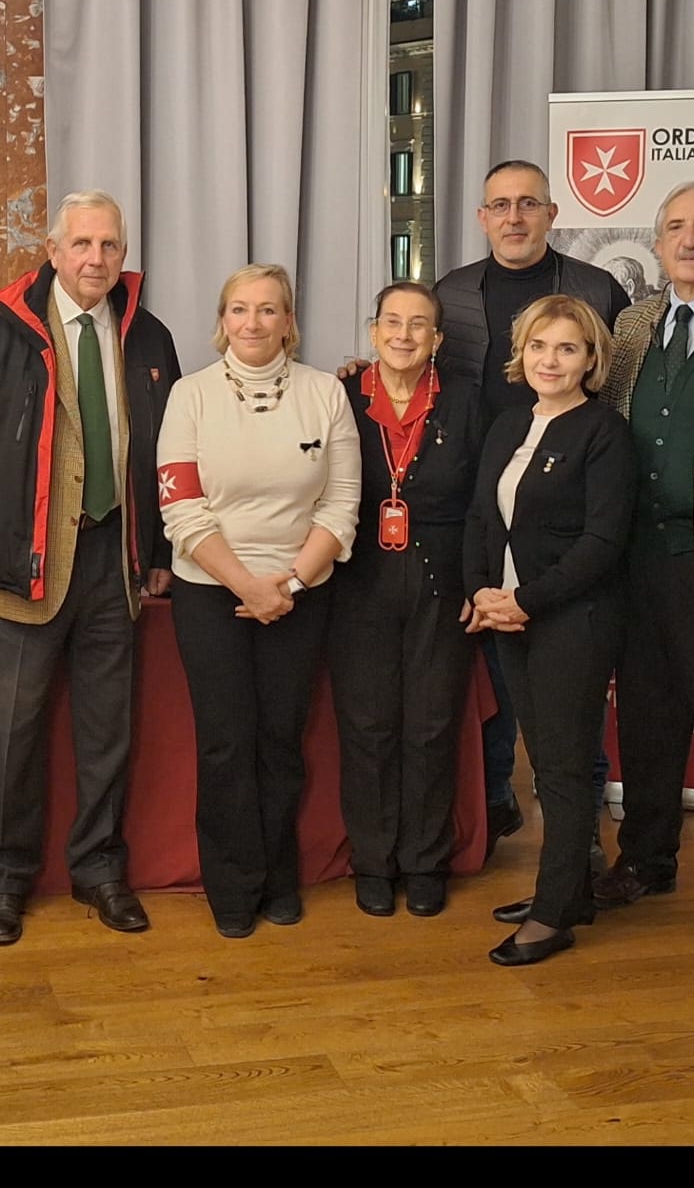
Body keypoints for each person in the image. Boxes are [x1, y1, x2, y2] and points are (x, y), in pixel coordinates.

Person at [156, 263, 361, 939]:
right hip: (210, 593)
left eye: (268, 309)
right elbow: (181, 507)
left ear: (288, 322)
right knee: (225, 743)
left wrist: (291, 584)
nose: (253, 322)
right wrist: (247, 585)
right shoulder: (189, 396)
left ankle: (278, 878)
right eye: (240, 309)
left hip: (301, 594)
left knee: (281, 741)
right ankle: (232, 884)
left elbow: (342, 504)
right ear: (223, 320)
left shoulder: (324, 394)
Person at [436, 159, 631, 863]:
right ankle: (496, 814)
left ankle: (580, 849)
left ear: (551, 214)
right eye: (500, 205)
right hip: (486, 504)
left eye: (527, 204)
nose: (513, 217)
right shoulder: (452, 292)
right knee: (498, 685)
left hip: (570, 514)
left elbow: (620, 390)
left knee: (570, 711)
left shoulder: (598, 288)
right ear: (482, 218)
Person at [0, 189, 181, 947]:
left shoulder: (148, 335)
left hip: (116, 558)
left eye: (109, 245)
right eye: (81, 244)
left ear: (123, 253)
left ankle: (99, 867)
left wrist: (160, 550)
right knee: (13, 733)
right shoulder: (9, 329)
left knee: (108, 729)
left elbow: (171, 450)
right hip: (26, 563)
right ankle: (7, 876)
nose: (95, 259)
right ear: (52, 250)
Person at [463, 294, 637, 965]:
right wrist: (482, 591)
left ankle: (555, 913)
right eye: (539, 346)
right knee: (543, 762)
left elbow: (602, 543)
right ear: (522, 352)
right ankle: (568, 891)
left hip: (573, 621)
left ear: (591, 359)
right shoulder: (509, 423)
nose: (550, 360)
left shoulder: (604, 432)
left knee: (563, 770)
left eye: (567, 348)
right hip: (509, 614)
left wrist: (525, 601)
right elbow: (482, 516)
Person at [592, 182, 694, 949]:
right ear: (657, 245)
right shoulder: (630, 325)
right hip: (636, 561)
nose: (691, 239)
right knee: (646, 722)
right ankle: (646, 861)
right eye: (677, 227)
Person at [330, 280, 485, 919]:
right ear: (373, 332)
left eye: (418, 324)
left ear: (437, 339)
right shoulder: (340, 396)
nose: (403, 334)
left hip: (441, 582)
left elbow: (484, 503)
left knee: (431, 725)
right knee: (366, 727)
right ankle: (373, 862)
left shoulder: (467, 402)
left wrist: (478, 580)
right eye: (392, 322)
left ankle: (425, 861)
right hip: (357, 580)